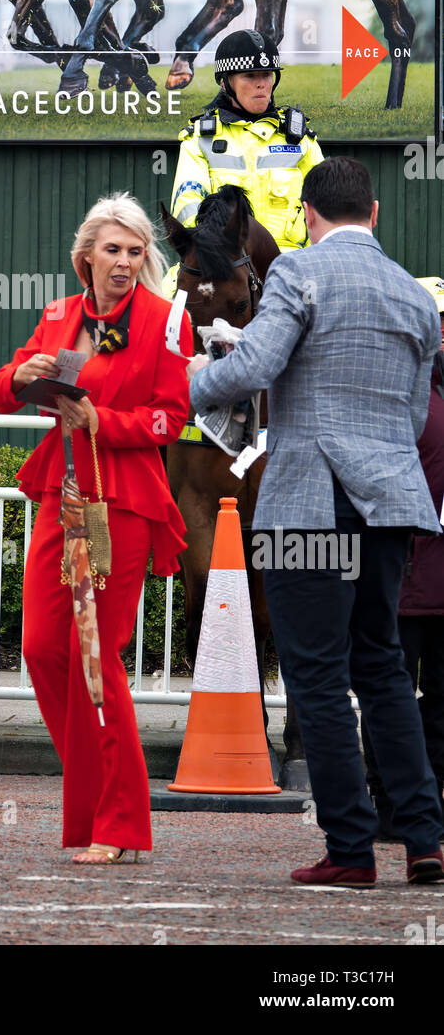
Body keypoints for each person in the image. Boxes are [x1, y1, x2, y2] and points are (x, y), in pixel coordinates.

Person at [188, 157, 444, 887]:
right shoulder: (414, 295)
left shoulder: (299, 273)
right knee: (385, 668)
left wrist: (188, 386)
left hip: (312, 501)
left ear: (307, 214)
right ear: (375, 211)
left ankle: (351, 850)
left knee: (318, 675)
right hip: (391, 503)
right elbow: (412, 401)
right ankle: (424, 836)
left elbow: (253, 367)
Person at [0, 193, 191, 864]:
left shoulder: (165, 322)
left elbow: (172, 418)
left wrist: (110, 423)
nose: (125, 261)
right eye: (113, 249)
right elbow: (0, 389)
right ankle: (100, 797)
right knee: (45, 647)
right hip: (63, 489)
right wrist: (23, 375)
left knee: (95, 657)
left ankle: (121, 823)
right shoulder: (58, 315)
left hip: (124, 499)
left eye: (136, 251)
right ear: (86, 259)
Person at [364, 276, 444, 841]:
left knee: (427, 700)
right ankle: (396, 806)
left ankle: (418, 806)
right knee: (390, 693)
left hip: (425, 579)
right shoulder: (400, 398)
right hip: (402, 575)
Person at [169, 29, 324, 252]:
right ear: (225, 83)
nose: (261, 84)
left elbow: (324, 209)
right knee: (170, 287)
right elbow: (187, 205)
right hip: (225, 264)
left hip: (291, 264)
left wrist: (309, 264)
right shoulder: (199, 140)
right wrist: (217, 254)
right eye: (250, 76)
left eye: (267, 75)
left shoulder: (301, 140)